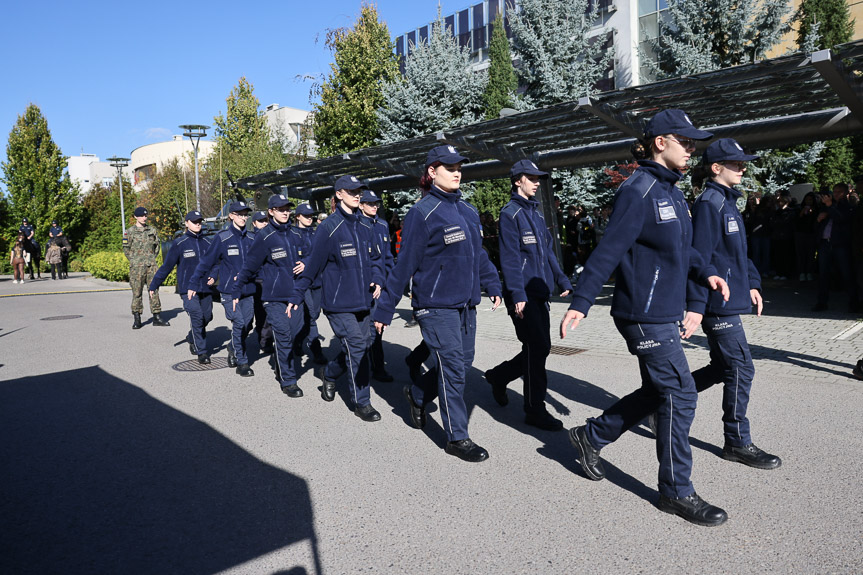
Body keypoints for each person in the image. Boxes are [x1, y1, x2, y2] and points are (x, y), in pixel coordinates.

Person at [559, 109, 730, 526]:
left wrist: (704, 270)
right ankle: (675, 491)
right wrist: (581, 301)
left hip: (663, 309)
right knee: (681, 393)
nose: (692, 149)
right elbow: (609, 250)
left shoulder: (672, 191)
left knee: (659, 391)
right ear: (660, 142)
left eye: (694, 143)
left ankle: (590, 435)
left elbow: (680, 247)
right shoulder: (639, 189)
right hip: (641, 312)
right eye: (684, 141)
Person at [373, 146, 503, 462]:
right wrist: (385, 308)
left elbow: (479, 255)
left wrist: (493, 283)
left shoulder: (469, 212)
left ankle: (417, 394)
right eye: (449, 167)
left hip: (465, 305)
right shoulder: (422, 213)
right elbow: (404, 265)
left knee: (461, 361)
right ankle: (457, 438)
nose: (457, 171)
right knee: (455, 368)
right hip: (434, 304)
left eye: (459, 166)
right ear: (432, 172)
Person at [683, 138, 782, 470]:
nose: (743, 167)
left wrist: (752, 283)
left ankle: (660, 402)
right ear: (716, 168)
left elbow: (738, 253)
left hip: (730, 298)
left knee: (722, 367)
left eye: (743, 163)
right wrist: (697, 304)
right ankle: (736, 441)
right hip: (716, 303)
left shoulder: (727, 203)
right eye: (737, 163)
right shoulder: (709, 204)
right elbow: (699, 257)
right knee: (742, 367)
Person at [485, 159, 573, 431]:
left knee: (539, 348)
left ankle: (499, 376)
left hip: (539, 291)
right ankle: (534, 409)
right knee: (537, 348)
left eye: (538, 178)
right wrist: (517, 294)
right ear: (517, 180)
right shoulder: (510, 214)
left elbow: (547, 252)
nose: (536, 182)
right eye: (531, 177)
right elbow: (510, 259)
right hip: (521, 294)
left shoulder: (535, 214)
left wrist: (561, 278)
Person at [288, 175, 385, 422]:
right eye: (351, 191)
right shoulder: (328, 228)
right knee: (357, 345)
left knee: (359, 346)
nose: (357, 195)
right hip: (339, 303)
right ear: (339, 194)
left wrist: (378, 278)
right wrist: (297, 294)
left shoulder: (366, 226)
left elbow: (376, 259)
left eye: (359, 191)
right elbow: (312, 266)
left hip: (363, 301)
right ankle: (362, 402)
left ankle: (329, 374)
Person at [234, 195, 306, 396]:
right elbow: (249, 266)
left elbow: (312, 253)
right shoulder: (264, 236)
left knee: (294, 333)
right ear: (271, 212)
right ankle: (288, 380)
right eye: (280, 209)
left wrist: (306, 262)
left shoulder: (296, 234)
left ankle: (280, 361)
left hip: (295, 295)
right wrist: (236, 290)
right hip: (273, 297)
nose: (285, 212)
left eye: (287, 209)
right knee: (283, 335)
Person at [189, 200, 256, 376]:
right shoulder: (222, 237)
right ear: (231, 216)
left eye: (245, 214)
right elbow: (206, 262)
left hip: (248, 290)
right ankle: (243, 363)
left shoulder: (251, 238)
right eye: (240, 214)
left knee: (247, 324)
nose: (243, 218)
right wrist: (194, 282)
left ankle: (233, 347)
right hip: (228, 290)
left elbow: (259, 264)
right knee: (239, 322)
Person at [149, 211, 216, 365]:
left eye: (199, 221)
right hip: (187, 288)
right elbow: (166, 267)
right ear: (186, 223)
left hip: (205, 288)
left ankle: (192, 336)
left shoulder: (208, 243)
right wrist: (155, 284)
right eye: (194, 221)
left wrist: (213, 274)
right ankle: (202, 351)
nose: (197, 224)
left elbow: (216, 263)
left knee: (207, 317)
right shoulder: (179, 244)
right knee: (197, 317)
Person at [359, 189, 395, 382]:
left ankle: (378, 368)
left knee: (376, 329)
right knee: (362, 333)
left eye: (376, 204)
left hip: (380, 286)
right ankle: (339, 368)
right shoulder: (356, 224)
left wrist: (391, 282)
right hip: (363, 285)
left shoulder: (381, 225)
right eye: (370, 203)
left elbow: (387, 257)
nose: (374, 207)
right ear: (361, 205)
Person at [813, 183, 859, 312]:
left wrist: (830, 206)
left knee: (847, 274)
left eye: (839, 192)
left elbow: (841, 218)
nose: (836, 194)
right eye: (835, 191)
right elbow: (818, 226)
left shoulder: (848, 207)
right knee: (823, 275)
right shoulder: (827, 207)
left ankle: (854, 302)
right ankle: (822, 302)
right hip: (825, 244)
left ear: (845, 193)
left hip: (840, 245)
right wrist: (818, 220)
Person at [292, 203, 328, 365]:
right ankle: (316, 350)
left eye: (311, 215)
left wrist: (307, 262)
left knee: (314, 313)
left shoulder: (316, 233)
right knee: (311, 316)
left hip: (317, 280)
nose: (309, 218)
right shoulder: (292, 234)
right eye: (305, 215)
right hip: (301, 281)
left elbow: (320, 253)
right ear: (297, 217)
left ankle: (298, 340)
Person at [124, 207, 170, 329]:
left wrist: (151, 259)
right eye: (141, 216)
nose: (144, 218)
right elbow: (126, 249)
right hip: (136, 268)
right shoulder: (129, 232)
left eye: (145, 215)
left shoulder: (152, 230)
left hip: (151, 266)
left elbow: (156, 247)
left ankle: (157, 316)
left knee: (153, 291)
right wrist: (135, 260)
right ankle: (137, 318)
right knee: (137, 292)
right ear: (135, 217)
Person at [251, 210, 274, 354]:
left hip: (269, 279)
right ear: (254, 223)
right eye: (261, 221)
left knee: (270, 313)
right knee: (260, 314)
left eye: (266, 221)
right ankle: (262, 337)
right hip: (256, 281)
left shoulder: (271, 237)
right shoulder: (251, 238)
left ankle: (266, 340)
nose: (264, 224)